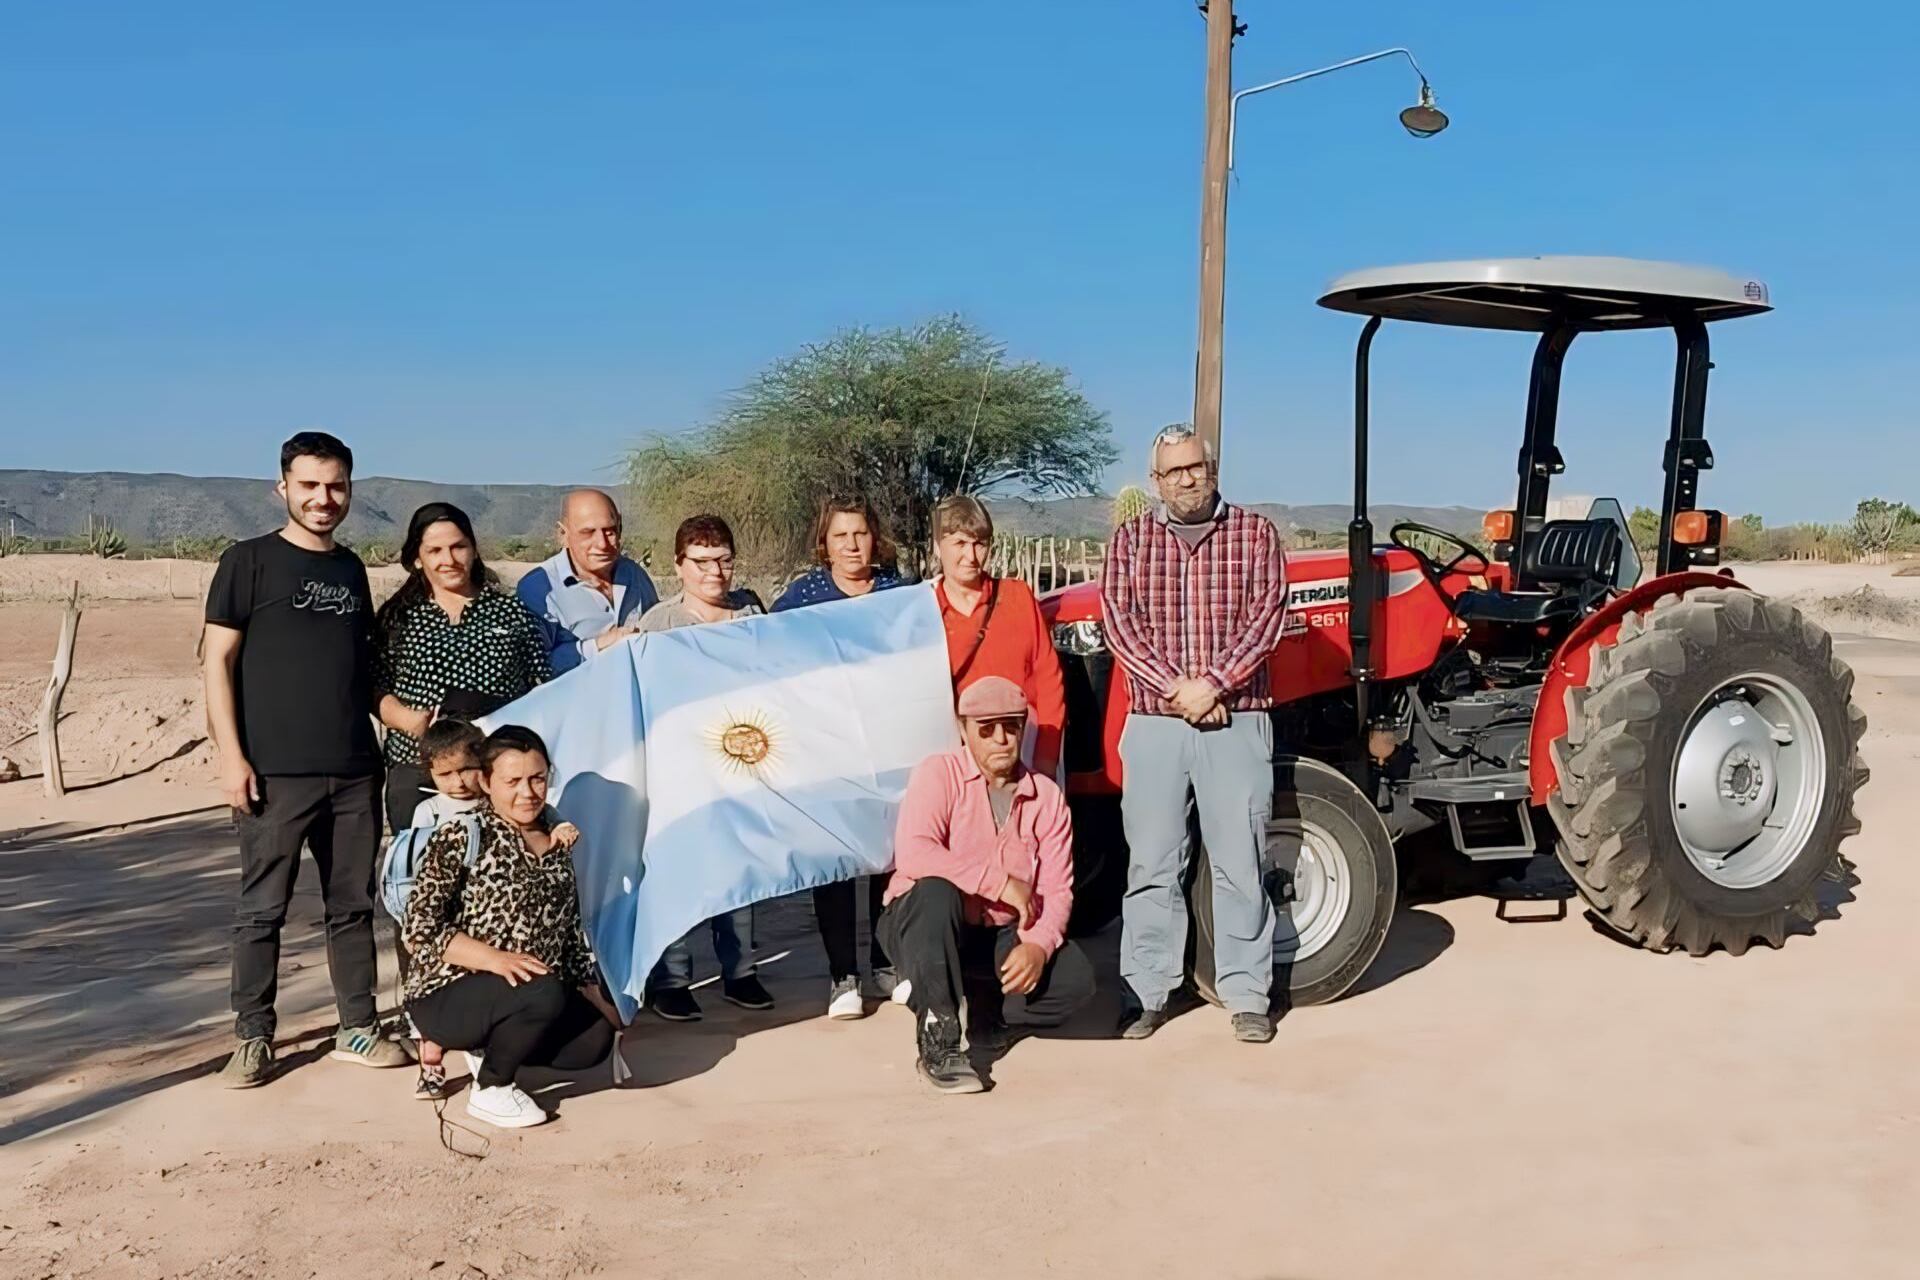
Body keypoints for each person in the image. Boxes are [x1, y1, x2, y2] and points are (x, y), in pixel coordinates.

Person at [204, 431, 409, 1087]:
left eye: (336, 486)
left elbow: (357, 669)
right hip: (273, 773)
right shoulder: (248, 562)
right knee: (261, 909)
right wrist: (231, 758)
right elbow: (217, 663)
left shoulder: (350, 570)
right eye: (310, 485)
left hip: (353, 770)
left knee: (351, 907)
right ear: (283, 487)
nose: (324, 498)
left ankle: (357, 1026)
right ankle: (252, 1038)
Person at [1101, 424, 1289, 1044]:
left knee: (1241, 860)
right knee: (1152, 862)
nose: (1186, 478)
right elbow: (1120, 625)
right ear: (1156, 481)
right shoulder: (1130, 541)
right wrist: (1179, 690)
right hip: (1156, 721)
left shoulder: (1256, 535)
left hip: (1235, 717)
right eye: (1173, 471)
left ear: (1212, 467)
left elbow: (1266, 621)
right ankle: (1149, 990)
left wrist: (1214, 684)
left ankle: (1246, 994)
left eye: (1195, 466)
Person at [878, 677, 1093, 1093]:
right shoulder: (938, 773)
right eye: (986, 728)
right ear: (963, 730)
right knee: (936, 889)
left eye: (1011, 726)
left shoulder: (1045, 797)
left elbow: (1058, 887)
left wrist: (1038, 945)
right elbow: (915, 853)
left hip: (996, 930)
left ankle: (983, 1007)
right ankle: (938, 1036)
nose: (1001, 739)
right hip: (924, 923)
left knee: (1075, 979)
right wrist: (999, 882)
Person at [403, 725, 621, 1130]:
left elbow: (568, 934)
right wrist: (494, 960)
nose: (528, 792)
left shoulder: (557, 844)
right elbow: (419, 928)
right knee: (541, 988)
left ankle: (496, 1045)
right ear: (486, 781)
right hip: (448, 992)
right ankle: (491, 1089)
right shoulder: (462, 833)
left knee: (593, 1040)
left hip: (528, 990)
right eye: (513, 781)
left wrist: (599, 998)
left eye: (537, 778)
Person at [632, 514, 775, 1020]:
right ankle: (672, 977)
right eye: (701, 562)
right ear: (679, 566)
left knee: (739, 872)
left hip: (742, 765)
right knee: (679, 872)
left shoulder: (752, 614)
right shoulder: (658, 624)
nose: (714, 572)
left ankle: (742, 971)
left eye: (723, 560)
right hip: (679, 771)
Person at [772, 495, 907, 1018]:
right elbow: (765, 651)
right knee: (834, 863)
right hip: (826, 749)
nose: (852, 545)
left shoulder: (900, 593)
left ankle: (884, 962)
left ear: (875, 538)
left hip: (890, 746)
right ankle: (841, 976)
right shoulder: (802, 597)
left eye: (860, 534)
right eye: (840, 536)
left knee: (885, 858)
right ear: (823, 545)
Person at [373, 502, 553, 833]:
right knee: (421, 877)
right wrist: (407, 719)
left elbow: (542, 688)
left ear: (473, 550)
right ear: (417, 558)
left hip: (493, 768)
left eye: (458, 547)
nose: (449, 559)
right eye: (435, 550)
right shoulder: (396, 618)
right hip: (419, 768)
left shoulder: (512, 615)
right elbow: (373, 686)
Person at [928, 495, 1067, 779]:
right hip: (959, 760)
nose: (971, 556)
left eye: (979, 543)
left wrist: (1045, 759)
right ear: (937, 547)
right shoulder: (925, 611)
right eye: (959, 544)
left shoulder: (1016, 597)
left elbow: (1049, 679)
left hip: (1024, 746)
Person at [516, 489, 661, 674]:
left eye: (610, 531)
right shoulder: (537, 590)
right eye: (588, 532)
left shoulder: (634, 574)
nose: (602, 544)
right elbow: (533, 666)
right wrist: (599, 646)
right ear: (562, 534)